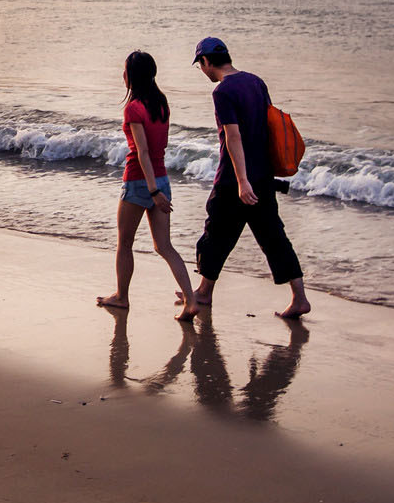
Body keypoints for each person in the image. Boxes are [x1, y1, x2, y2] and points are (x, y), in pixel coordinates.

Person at [186, 37, 310, 319]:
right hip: (263, 175)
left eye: (200, 65)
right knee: (274, 237)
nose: (202, 71)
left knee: (215, 233)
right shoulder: (256, 82)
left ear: (206, 62)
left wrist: (242, 181)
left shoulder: (223, 92)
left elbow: (233, 136)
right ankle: (299, 298)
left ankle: (204, 292)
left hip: (235, 179)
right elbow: (268, 124)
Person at [96, 50, 199, 318]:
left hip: (140, 181)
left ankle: (121, 297)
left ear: (133, 75)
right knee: (164, 246)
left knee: (125, 243)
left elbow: (141, 152)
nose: (122, 74)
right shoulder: (161, 102)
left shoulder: (133, 107)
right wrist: (158, 189)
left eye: (125, 70)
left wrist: (152, 191)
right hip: (162, 178)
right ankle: (190, 300)